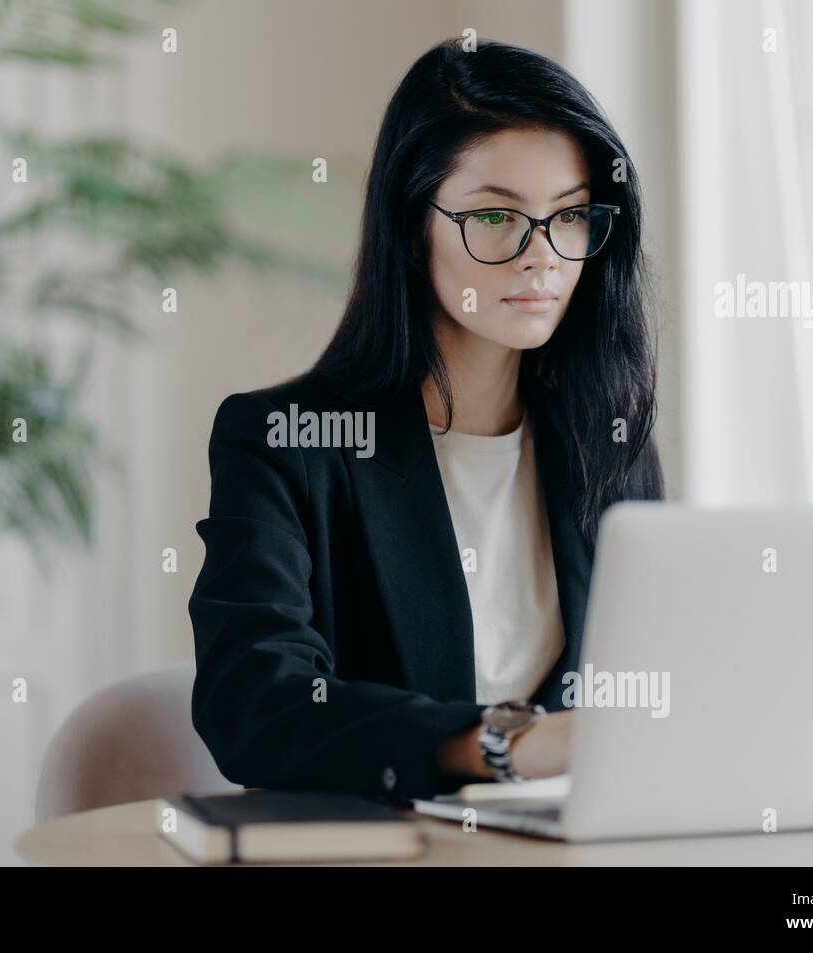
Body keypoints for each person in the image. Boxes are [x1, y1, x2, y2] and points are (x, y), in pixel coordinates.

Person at [188, 37, 664, 802]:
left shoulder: (607, 442)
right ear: (414, 226)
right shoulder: (284, 443)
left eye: (571, 215)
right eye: (496, 215)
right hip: (385, 846)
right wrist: (506, 746)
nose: (542, 256)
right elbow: (254, 705)